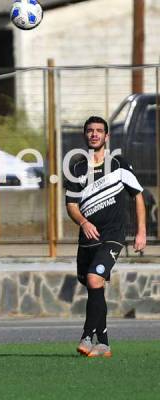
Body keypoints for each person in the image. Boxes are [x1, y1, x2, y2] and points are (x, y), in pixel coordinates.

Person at [65, 116, 146, 358]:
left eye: (99, 130)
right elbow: (71, 205)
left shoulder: (119, 164)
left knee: (93, 279)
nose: (94, 134)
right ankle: (104, 343)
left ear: (107, 136)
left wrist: (141, 231)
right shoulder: (77, 169)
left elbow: (138, 196)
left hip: (113, 235)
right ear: (85, 135)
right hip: (87, 239)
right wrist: (83, 222)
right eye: (90, 130)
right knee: (94, 286)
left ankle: (86, 336)